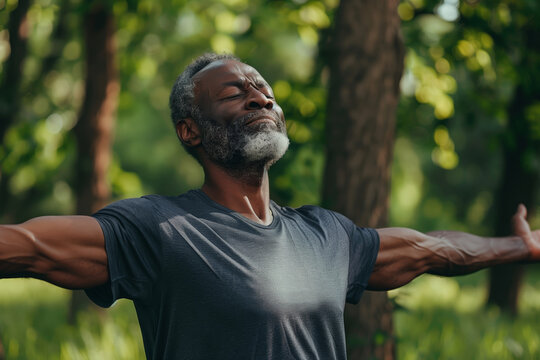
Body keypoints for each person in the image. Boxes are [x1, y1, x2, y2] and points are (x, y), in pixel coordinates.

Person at [0, 52, 539, 360]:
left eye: (264, 90)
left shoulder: (328, 235)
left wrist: (519, 246)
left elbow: (435, 250)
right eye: (234, 93)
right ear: (190, 131)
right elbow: (25, 246)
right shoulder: (160, 230)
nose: (260, 97)